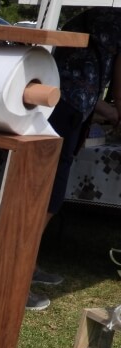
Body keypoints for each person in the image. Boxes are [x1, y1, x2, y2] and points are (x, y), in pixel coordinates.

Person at [28, 7, 121, 310]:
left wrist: (108, 111)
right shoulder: (112, 22)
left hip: (61, 103)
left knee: (48, 192)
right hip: (61, 107)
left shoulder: (100, 19)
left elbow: (90, 83)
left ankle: (27, 264)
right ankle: (17, 272)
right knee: (44, 193)